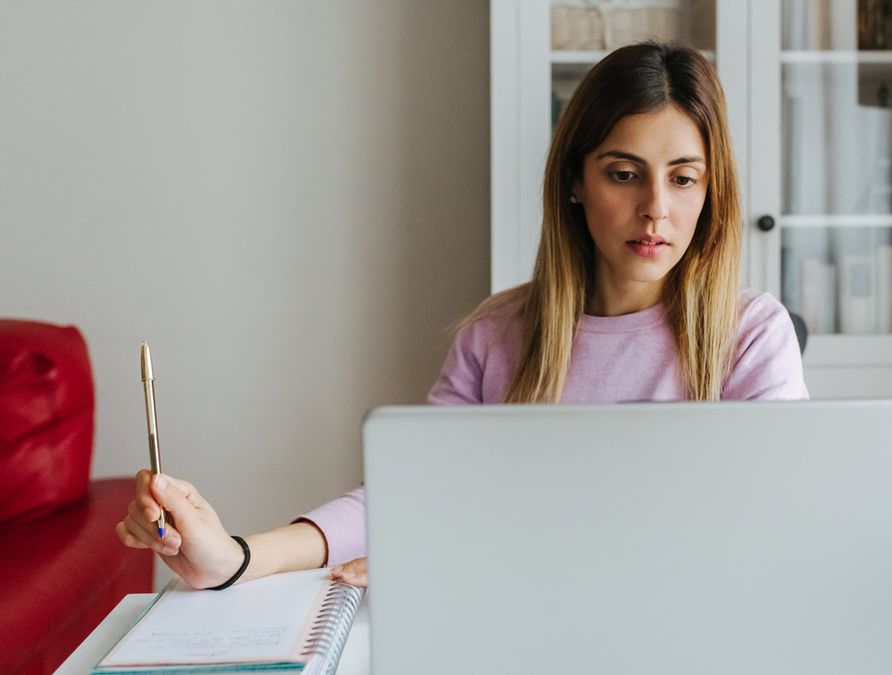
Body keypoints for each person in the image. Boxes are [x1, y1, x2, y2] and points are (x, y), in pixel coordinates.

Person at [116, 42, 808, 590]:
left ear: (711, 188)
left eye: (684, 177)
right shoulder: (497, 335)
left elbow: (770, 536)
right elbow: (407, 497)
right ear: (575, 179)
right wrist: (235, 555)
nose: (657, 207)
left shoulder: (752, 335)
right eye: (624, 173)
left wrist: (474, 565)